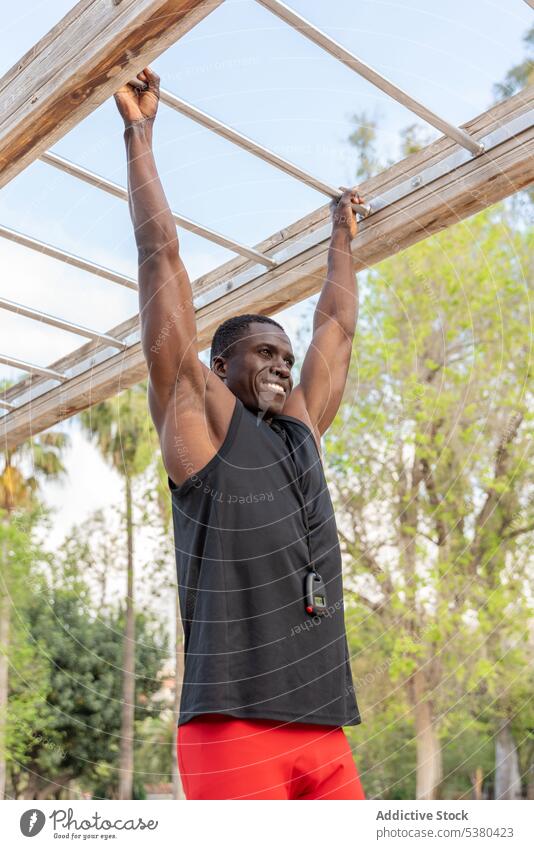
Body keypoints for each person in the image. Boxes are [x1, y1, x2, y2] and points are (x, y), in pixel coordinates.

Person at [115, 67, 366, 800]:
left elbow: (337, 327)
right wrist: (139, 135)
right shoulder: (195, 421)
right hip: (232, 728)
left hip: (325, 727)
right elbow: (161, 258)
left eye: (286, 358)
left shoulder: (301, 434)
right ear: (220, 363)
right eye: (265, 352)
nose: (282, 367)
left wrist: (340, 237)